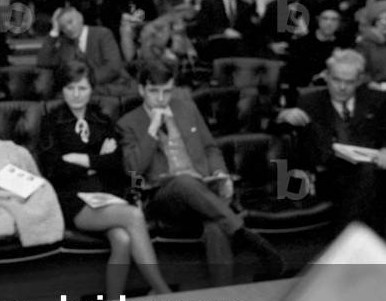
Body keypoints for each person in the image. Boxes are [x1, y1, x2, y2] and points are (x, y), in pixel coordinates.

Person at [117, 61, 285, 285]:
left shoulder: (186, 108)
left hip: (202, 190)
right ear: (141, 90)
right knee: (183, 182)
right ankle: (246, 235)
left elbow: (210, 148)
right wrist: (152, 129)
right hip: (164, 196)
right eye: (154, 92)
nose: (161, 98)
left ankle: (222, 296)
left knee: (215, 227)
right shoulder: (128, 123)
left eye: (167, 91)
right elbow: (133, 169)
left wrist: (220, 173)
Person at [39, 61, 172, 295]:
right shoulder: (51, 121)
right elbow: (55, 170)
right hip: (72, 199)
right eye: (70, 88)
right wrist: (98, 160)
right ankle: (163, 292)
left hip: (106, 195)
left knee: (122, 239)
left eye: (82, 88)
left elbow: (118, 164)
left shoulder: (102, 120)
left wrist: (81, 159)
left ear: (92, 89)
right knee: (133, 216)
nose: (77, 94)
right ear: (62, 89)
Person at [276, 49, 386, 234]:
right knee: (365, 185)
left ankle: (347, 240)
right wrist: (283, 116)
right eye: (336, 80)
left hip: (369, 170)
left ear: (359, 80)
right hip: (326, 174)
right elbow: (278, 132)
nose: (342, 87)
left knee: (367, 176)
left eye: (349, 82)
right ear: (327, 76)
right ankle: (365, 241)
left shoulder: (377, 100)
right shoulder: (309, 101)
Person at [38, 5, 131, 96]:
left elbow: (113, 67)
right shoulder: (65, 43)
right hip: (78, 92)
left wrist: (86, 81)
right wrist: (55, 30)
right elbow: (44, 62)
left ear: (80, 18)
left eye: (70, 22)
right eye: (63, 27)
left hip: (107, 88)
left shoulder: (102, 34)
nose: (68, 28)